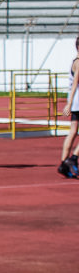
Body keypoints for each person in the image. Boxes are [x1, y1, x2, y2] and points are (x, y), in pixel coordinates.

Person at [57, 35, 79, 178]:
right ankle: (73, 159)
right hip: (77, 99)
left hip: (76, 100)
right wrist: (69, 103)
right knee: (73, 131)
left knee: (73, 131)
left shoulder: (74, 61)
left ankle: (63, 163)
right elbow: (76, 82)